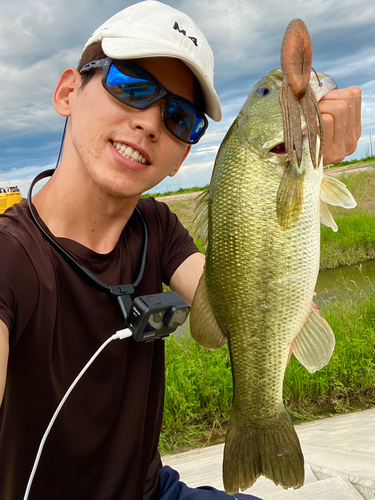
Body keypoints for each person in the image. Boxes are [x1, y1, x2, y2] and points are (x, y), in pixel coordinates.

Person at [0, 1, 362, 499]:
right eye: (131, 85)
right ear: (67, 92)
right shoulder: (9, 257)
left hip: (154, 490)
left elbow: (226, 297)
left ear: (182, 157)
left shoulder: (157, 226)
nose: (150, 122)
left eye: (178, 116)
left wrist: (313, 160)